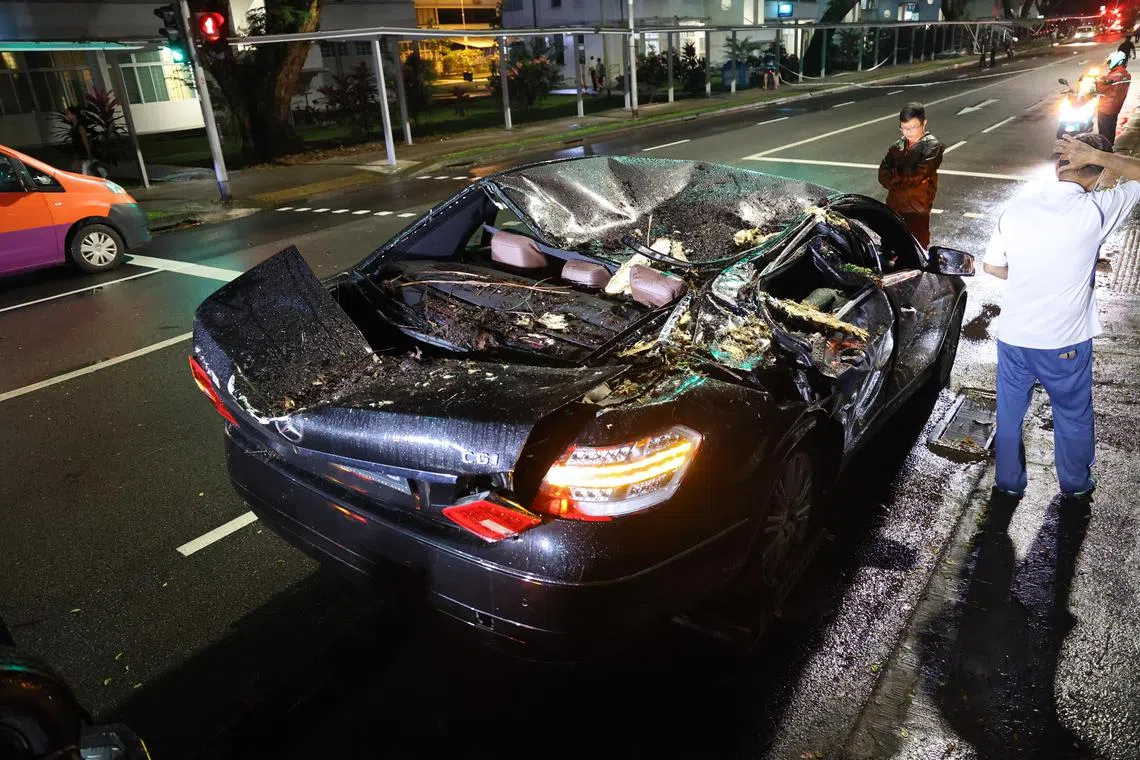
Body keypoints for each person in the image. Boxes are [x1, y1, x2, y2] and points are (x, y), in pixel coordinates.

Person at [984, 132, 1140, 503]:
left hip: (1014, 338)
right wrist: (1101, 157)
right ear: (1097, 172)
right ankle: (1074, 484)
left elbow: (993, 266)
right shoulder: (1096, 210)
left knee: (1009, 413)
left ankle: (1008, 482)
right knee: (1071, 414)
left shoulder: (1017, 209)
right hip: (1063, 343)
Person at [878, 102, 944, 248]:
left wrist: (895, 176)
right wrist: (904, 176)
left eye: (912, 127)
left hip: (917, 209)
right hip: (893, 207)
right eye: (904, 128)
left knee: (916, 250)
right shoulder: (897, 146)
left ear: (923, 123)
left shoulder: (933, 146)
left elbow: (917, 175)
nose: (908, 132)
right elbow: (882, 175)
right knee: (889, 249)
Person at [1094, 51, 1131, 146]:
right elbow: (1111, 84)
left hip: (1106, 109)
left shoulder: (1114, 76)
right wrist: (1104, 78)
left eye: (1110, 62)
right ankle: (1110, 148)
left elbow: (1100, 89)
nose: (1109, 64)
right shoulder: (1126, 74)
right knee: (1110, 131)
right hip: (1115, 108)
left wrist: (1098, 81)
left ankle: (1104, 153)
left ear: (1116, 60)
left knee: (1103, 134)